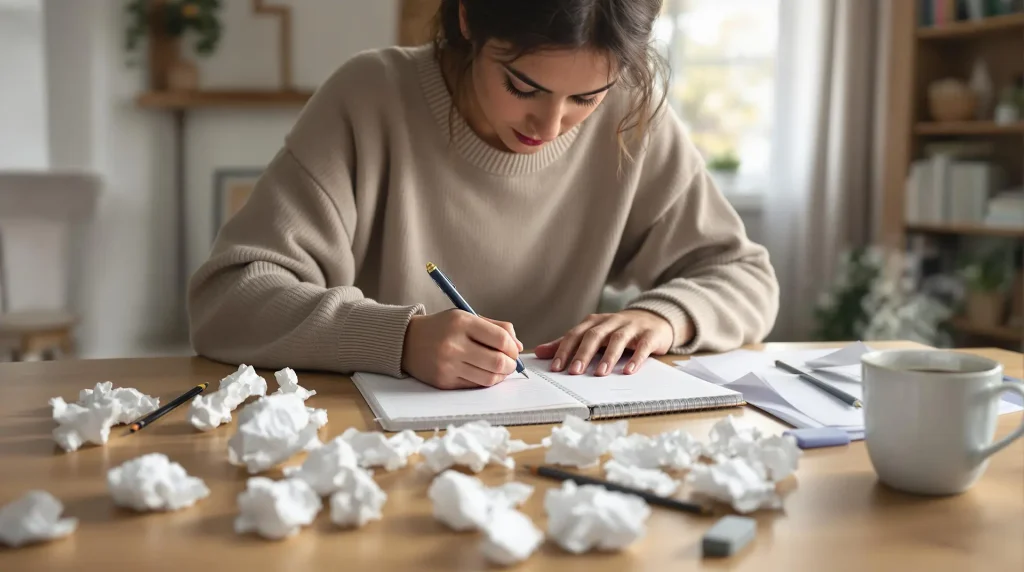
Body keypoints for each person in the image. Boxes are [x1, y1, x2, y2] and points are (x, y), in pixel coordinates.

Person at [187, 0, 779, 391]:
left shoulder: (630, 118)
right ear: (468, 17)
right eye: (522, 85)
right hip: (372, 446)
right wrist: (399, 340)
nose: (551, 125)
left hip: (558, 444)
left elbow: (744, 276)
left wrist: (661, 318)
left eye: (585, 98)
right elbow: (227, 299)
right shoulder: (369, 98)